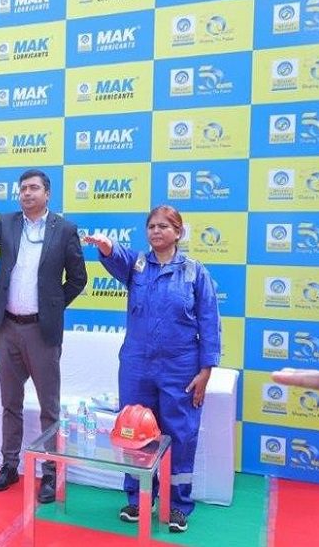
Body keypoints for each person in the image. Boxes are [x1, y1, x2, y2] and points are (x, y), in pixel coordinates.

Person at [83, 204, 220, 534]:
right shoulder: (137, 266)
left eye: (164, 226)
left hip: (180, 368)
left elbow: (209, 322)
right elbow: (117, 257)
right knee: (134, 430)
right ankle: (138, 497)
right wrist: (107, 246)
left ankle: (177, 505)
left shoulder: (195, 272)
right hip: (137, 365)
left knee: (180, 435)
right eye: (151, 226)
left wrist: (206, 369)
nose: (156, 231)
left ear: (178, 232)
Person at [0, 169, 86, 500]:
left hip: (42, 330)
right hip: (8, 327)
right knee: (10, 402)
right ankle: (9, 465)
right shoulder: (8, 222)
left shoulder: (64, 229)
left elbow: (78, 278)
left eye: (33, 188)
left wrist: (53, 306)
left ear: (47, 194)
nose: (27, 193)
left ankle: (50, 473)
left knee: (49, 408)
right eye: (23, 188)